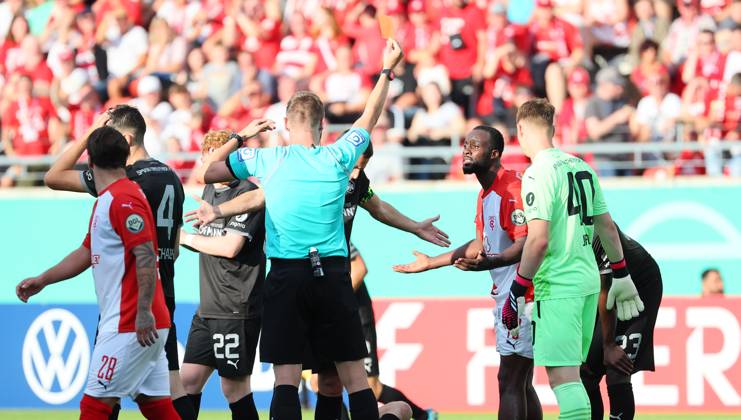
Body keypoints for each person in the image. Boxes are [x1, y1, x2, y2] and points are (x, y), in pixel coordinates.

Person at [200, 39, 405, 420]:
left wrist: (241, 136)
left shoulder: (266, 158)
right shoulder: (338, 156)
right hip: (332, 275)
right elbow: (369, 118)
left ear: (288, 123)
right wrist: (386, 71)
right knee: (354, 380)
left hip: (286, 276)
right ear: (322, 125)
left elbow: (206, 170)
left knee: (286, 381)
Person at [188, 130, 448, 420]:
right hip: (304, 281)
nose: (356, 173)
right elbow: (260, 196)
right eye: (354, 165)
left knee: (336, 381)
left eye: (362, 167)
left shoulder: (357, 183)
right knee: (300, 376)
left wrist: (414, 226)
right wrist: (219, 211)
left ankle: (412, 413)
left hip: (334, 288)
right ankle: (403, 413)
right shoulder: (318, 175)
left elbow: (378, 207)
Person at [16, 126, 178, 419]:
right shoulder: (111, 198)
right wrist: (43, 280)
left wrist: (142, 312)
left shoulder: (122, 199)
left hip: (131, 322)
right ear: (126, 157)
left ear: (89, 161)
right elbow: (86, 252)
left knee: (94, 407)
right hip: (141, 320)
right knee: (157, 408)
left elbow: (144, 255)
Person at [503, 98, 643, 419]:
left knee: (563, 380)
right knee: (573, 376)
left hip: (558, 286)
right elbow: (606, 226)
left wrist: (516, 289)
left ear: (521, 130)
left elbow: (537, 241)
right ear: (552, 129)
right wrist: (621, 273)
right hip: (587, 282)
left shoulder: (537, 174)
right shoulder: (581, 166)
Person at [394, 125, 543, 420]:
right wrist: (432, 262)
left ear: (494, 153)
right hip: (510, 294)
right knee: (521, 381)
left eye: (475, 145)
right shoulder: (486, 193)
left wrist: (490, 263)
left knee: (510, 381)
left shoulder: (511, 188)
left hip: (522, 294)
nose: (467, 149)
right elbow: (480, 244)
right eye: (466, 144)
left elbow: (525, 244)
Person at [178, 130, 266, 420]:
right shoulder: (207, 192)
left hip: (236, 306)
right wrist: (189, 241)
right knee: (187, 380)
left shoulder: (248, 194)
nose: (211, 163)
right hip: (208, 307)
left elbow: (230, 247)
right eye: (208, 156)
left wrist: (184, 238)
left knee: (234, 387)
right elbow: (211, 243)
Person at [582, 224, 663, 420]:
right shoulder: (554, 229)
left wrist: (609, 345)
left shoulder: (595, 230)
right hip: (601, 287)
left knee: (617, 369)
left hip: (638, 287)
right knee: (584, 373)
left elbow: (606, 289)